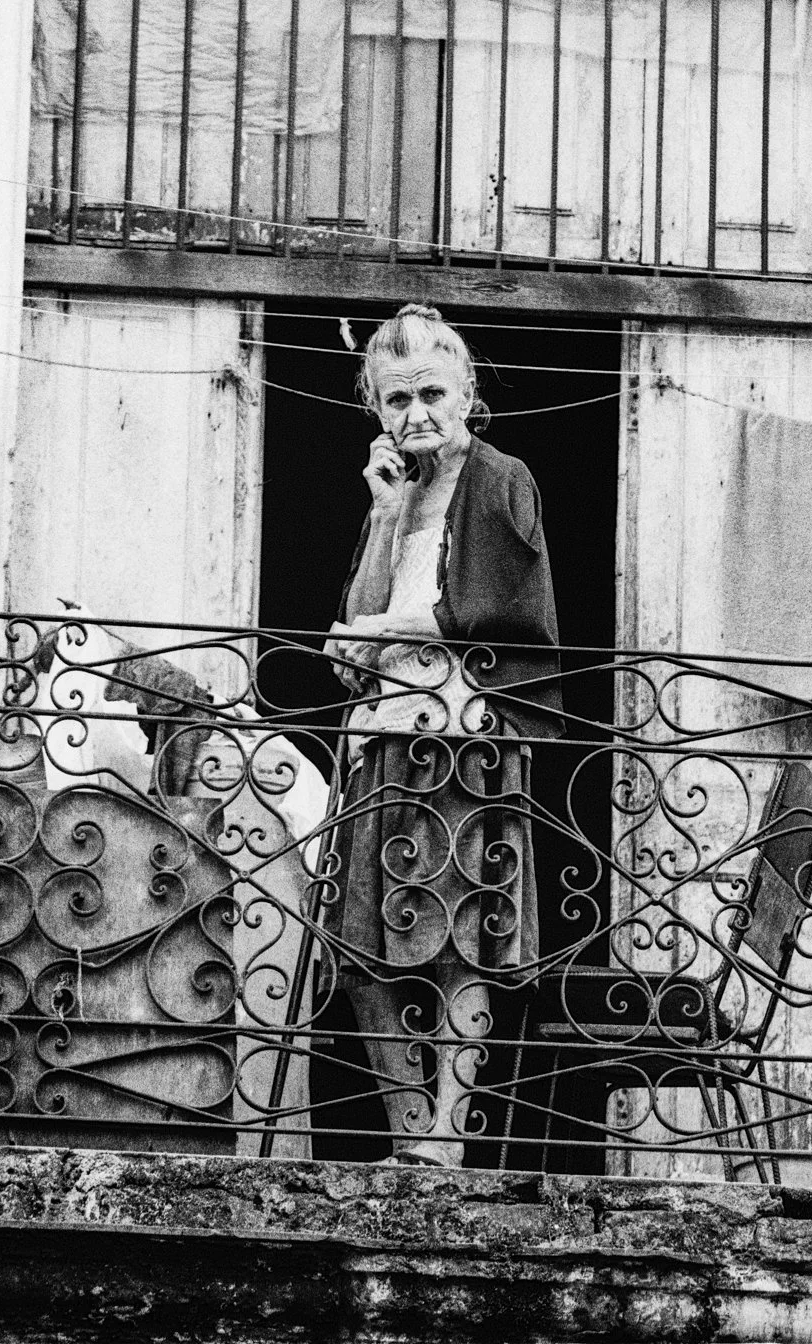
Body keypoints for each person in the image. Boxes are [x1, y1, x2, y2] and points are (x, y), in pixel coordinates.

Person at [324, 303, 560, 1166]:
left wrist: (382, 632)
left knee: (462, 939)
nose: (415, 413)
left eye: (431, 392)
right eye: (395, 400)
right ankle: (407, 1132)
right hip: (385, 737)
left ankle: (448, 1140)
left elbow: (506, 610)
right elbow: (359, 608)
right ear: (375, 409)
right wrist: (386, 513)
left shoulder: (503, 477)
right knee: (361, 949)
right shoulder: (398, 487)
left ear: (466, 392)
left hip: (467, 732)